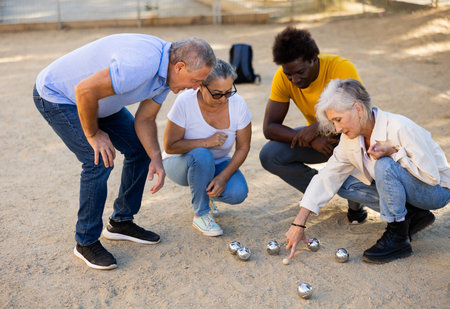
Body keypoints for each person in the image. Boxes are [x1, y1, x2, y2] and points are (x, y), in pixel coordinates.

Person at [33, 34, 216, 270]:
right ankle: (85, 242)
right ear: (180, 67)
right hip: (59, 96)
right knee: (97, 158)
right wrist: (93, 134)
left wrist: (156, 157)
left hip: (99, 102)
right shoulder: (141, 64)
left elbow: (146, 119)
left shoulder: (167, 75)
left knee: (140, 149)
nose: (196, 88)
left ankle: (121, 222)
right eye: (196, 80)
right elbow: (84, 90)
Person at [285, 78, 450, 263]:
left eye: (338, 120)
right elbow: (327, 177)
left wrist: (394, 153)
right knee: (344, 183)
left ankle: (398, 238)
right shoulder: (350, 140)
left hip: (436, 192)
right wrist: (298, 223)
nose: (337, 129)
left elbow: (431, 177)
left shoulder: (400, 126)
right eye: (333, 122)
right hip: (413, 189)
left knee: (384, 165)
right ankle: (411, 216)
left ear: (358, 109)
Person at [259, 26, 367, 224]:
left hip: (351, 138)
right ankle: (320, 191)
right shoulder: (284, 77)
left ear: (314, 59)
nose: (294, 79)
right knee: (269, 155)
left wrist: (318, 126)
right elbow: (270, 127)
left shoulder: (341, 68)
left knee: (355, 152)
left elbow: (357, 113)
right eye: (289, 74)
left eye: (300, 72)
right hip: (321, 142)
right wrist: (313, 140)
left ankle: (356, 203)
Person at [162, 59, 251, 236]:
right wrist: (206, 142)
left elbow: (243, 147)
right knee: (202, 155)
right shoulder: (185, 102)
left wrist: (223, 178)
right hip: (179, 162)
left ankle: (205, 195)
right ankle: (200, 214)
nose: (224, 99)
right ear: (200, 86)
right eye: (217, 94)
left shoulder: (238, 104)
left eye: (228, 92)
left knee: (238, 193)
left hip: (218, 164)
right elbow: (170, 146)